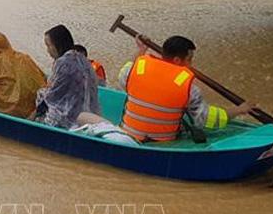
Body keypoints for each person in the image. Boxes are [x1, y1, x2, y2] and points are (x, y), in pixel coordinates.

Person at [116, 35, 254, 143]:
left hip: (129, 135)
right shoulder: (189, 88)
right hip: (162, 143)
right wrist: (239, 110)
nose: (191, 63)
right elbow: (206, 119)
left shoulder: (136, 70)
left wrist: (141, 50)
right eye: (190, 59)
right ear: (177, 60)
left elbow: (124, 75)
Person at [33, 24, 101, 129]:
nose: (48, 50)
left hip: (71, 117)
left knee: (40, 94)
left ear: (57, 44)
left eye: (49, 45)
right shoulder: (81, 58)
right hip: (91, 112)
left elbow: (52, 96)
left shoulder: (64, 63)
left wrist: (33, 115)